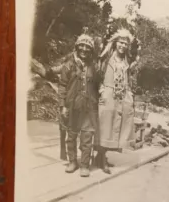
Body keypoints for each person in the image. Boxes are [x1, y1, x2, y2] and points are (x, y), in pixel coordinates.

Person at [96, 28, 140, 173]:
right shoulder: (107, 56)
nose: (122, 46)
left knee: (116, 127)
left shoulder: (126, 60)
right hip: (108, 94)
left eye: (125, 44)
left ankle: (101, 156)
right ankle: (101, 159)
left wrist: (129, 95)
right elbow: (97, 73)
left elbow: (130, 74)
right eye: (120, 42)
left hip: (121, 97)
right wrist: (101, 89)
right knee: (105, 126)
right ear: (115, 43)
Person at [58, 33, 99, 177]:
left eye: (87, 47)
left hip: (89, 108)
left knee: (87, 136)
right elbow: (62, 86)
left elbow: (99, 85)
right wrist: (63, 105)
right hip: (72, 107)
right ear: (77, 46)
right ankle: (72, 162)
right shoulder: (69, 65)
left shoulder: (94, 67)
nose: (84, 49)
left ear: (91, 50)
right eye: (81, 45)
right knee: (71, 135)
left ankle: (84, 165)